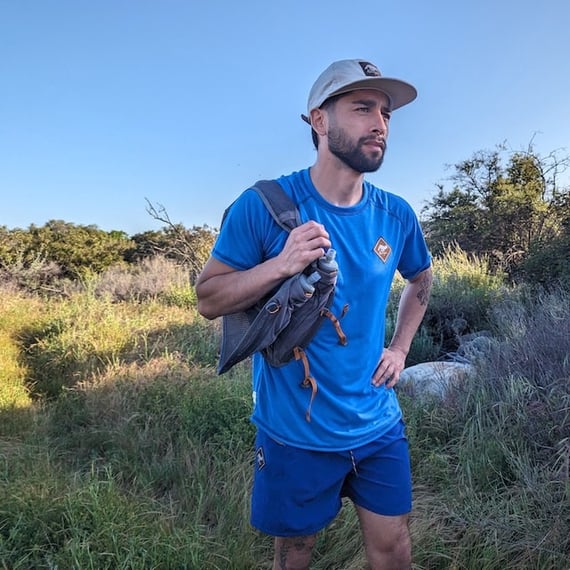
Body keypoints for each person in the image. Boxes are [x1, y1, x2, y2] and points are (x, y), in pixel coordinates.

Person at [196, 58, 433, 570]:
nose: (380, 124)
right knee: (294, 556)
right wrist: (281, 264)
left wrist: (400, 347)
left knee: (394, 551)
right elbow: (208, 298)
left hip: (377, 425)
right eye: (362, 107)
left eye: (387, 113)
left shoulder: (396, 214)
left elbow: (421, 279)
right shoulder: (263, 206)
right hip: (294, 432)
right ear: (318, 121)